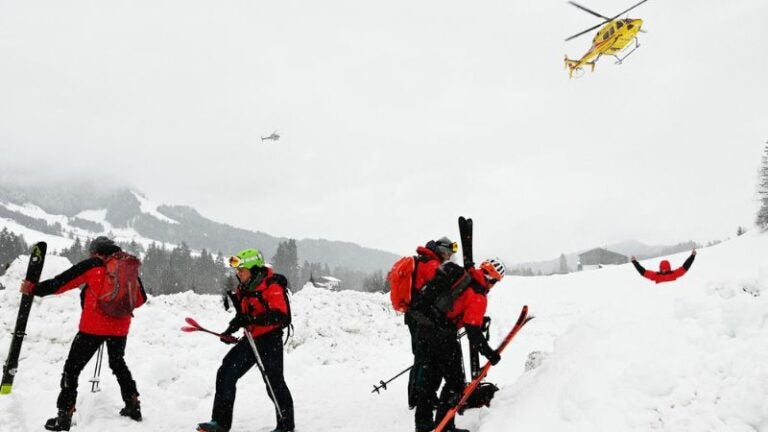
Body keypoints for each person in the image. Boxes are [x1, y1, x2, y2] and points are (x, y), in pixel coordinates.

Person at [19, 236, 146, 431]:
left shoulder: (93, 264)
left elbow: (61, 283)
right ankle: (133, 404)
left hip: (92, 328)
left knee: (72, 369)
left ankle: (64, 416)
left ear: (96, 251)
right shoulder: (126, 266)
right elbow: (140, 299)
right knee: (118, 363)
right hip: (120, 327)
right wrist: (114, 303)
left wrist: (34, 289)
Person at [197, 248, 294, 432]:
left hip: (270, 340)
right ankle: (220, 423)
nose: (238, 274)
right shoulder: (244, 288)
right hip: (251, 340)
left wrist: (253, 320)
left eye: (241, 270)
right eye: (237, 271)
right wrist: (230, 329)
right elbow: (243, 316)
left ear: (253, 269)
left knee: (274, 382)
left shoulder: (271, 286)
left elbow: (281, 316)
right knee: (226, 372)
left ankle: (286, 425)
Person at [407, 257, 506, 432]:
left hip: (424, 330)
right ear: (492, 279)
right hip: (443, 337)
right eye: (496, 282)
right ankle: (445, 427)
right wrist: (490, 354)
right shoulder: (478, 295)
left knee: (430, 380)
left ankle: (423, 425)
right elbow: (473, 333)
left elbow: (457, 308)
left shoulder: (463, 276)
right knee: (455, 384)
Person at [403, 237, 457, 412]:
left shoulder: (423, 261)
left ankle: (416, 396)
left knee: (420, 357)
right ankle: (419, 398)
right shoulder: (431, 265)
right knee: (424, 358)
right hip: (421, 318)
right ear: (441, 250)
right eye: (448, 253)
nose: (449, 257)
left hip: (415, 315)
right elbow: (435, 292)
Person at [631, 249, 697, 284]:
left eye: (665, 268)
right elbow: (643, 272)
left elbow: (685, 267)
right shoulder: (656, 276)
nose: (664, 270)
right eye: (663, 269)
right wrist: (635, 262)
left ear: (669, 268)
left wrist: (692, 256)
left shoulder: (673, 274)